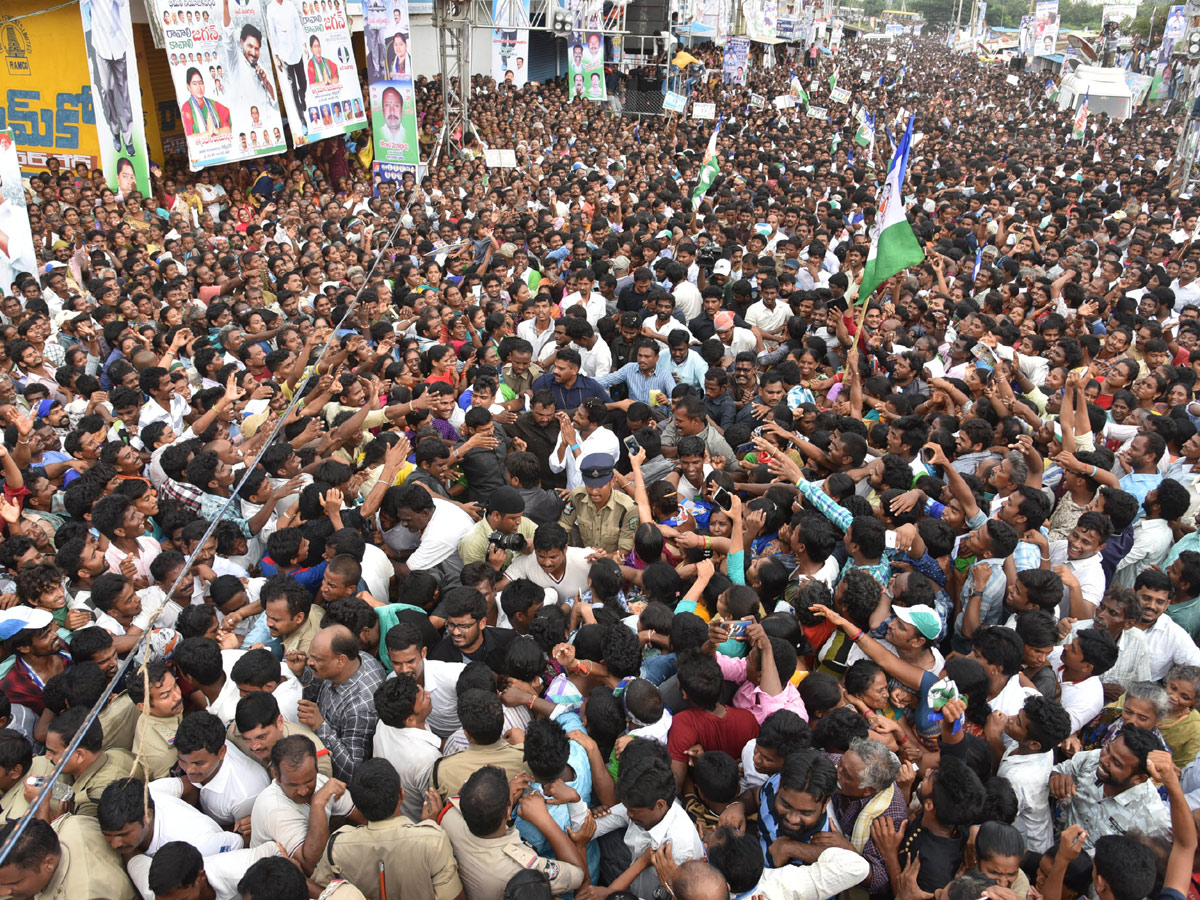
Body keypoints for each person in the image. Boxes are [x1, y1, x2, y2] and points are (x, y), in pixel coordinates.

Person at [313, 758, 463, 900]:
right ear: (401, 794)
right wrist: (430, 826)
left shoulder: (336, 846)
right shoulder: (433, 841)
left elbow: (325, 891)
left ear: (357, 805)